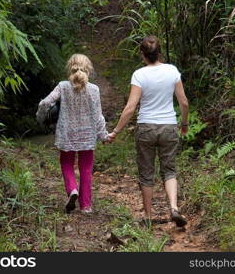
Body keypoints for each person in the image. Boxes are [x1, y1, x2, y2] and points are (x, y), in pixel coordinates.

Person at [108, 36, 189, 227]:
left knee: (146, 173)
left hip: (146, 128)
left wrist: (116, 131)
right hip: (169, 126)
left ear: (142, 55)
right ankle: (174, 208)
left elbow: (130, 107)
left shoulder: (139, 75)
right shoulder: (172, 71)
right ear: (159, 52)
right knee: (169, 170)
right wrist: (184, 124)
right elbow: (184, 102)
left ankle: (148, 216)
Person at [36, 54, 109, 214]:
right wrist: (103, 135)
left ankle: (72, 189)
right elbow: (98, 116)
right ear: (88, 69)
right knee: (86, 168)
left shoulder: (63, 86)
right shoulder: (94, 89)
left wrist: (41, 117)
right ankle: (86, 206)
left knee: (66, 164)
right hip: (87, 136)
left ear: (70, 68)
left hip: (67, 134)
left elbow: (46, 102)